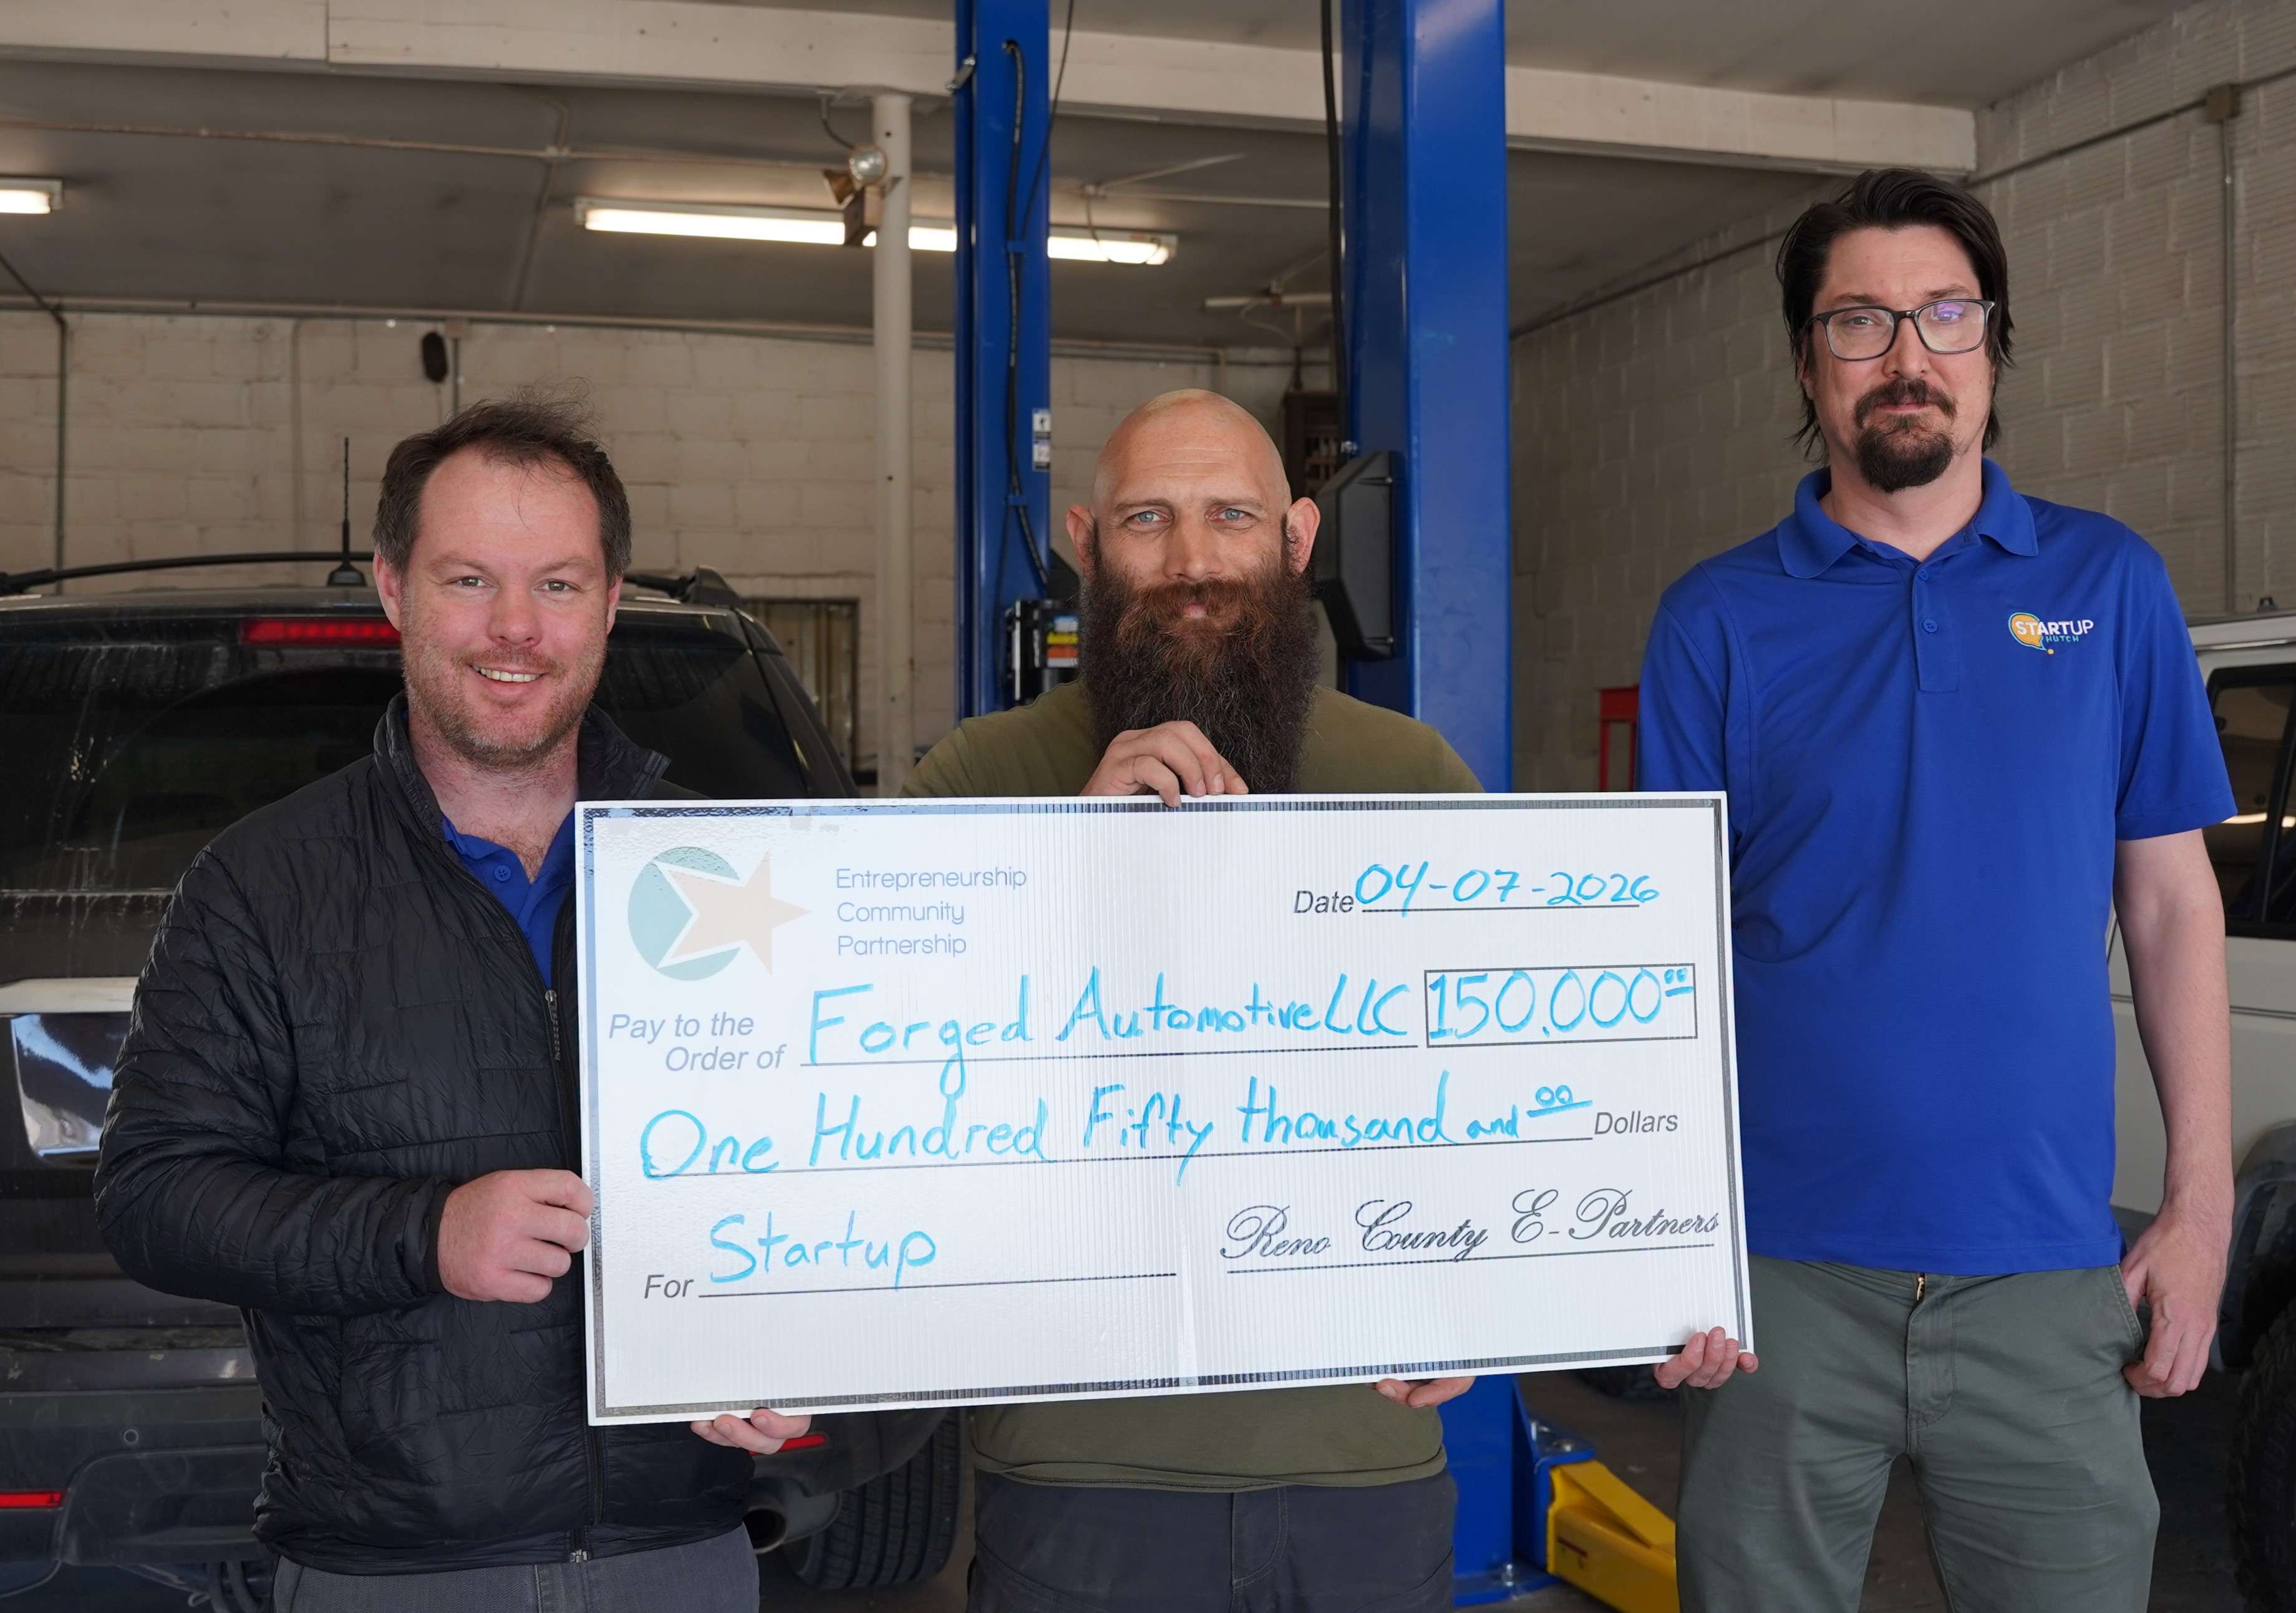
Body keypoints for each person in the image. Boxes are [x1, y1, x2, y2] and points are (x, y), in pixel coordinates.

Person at [94, 397, 807, 1611]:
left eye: (561, 585)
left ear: (612, 597)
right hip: (394, 1569)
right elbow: (156, 1199)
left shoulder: (747, 870)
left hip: (681, 1555)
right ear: (394, 587)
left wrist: (821, 1381)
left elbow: (868, 1181)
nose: (517, 628)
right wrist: (423, 1235)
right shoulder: (266, 886)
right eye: (471, 579)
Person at [1638, 168, 2234, 1611]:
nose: (1908, 355)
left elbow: (2169, 902)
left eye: (1944, 315)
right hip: (1777, 1279)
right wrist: (1662, 1231)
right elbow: (1659, 951)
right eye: (1861, 321)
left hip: (2040, 1271)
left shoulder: (2113, 586)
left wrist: (2203, 1200)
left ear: (1993, 347)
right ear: (1808, 362)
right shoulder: (1718, 618)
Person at [904, 389, 1476, 1613]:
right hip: (1077, 1466)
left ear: (1300, 539)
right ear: (1082, 539)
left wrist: (1489, 1291)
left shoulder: (1412, 778)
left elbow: (1494, 1092)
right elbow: (899, 1107)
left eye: (1232, 516)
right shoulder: (975, 781)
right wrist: (1075, 865)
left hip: (1360, 1460)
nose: (1191, 561)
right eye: (1147, 519)